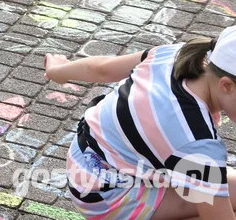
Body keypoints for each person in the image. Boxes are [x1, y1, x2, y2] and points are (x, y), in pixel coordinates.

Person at [45, 27, 236, 219]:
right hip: (108, 200)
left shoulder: (177, 55)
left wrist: (57, 70)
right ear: (226, 85)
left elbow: (101, 69)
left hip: (88, 160)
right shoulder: (196, 141)